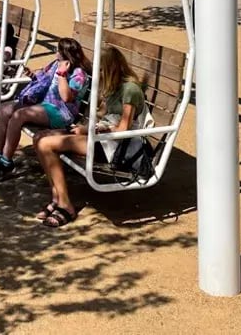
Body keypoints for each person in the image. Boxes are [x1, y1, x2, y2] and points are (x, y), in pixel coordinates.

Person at [31, 46, 151, 228]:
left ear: (111, 68)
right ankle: (57, 197)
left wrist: (93, 131)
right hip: (103, 139)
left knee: (47, 144)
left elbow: (123, 128)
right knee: (39, 138)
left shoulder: (130, 90)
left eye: (102, 69)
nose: (99, 74)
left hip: (118, 147)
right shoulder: (114, 88)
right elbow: (103, 115)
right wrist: (85, 128)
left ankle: (66, 205)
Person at [0, 37, 89, 183]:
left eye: (58, 51)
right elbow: (43, 78)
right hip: (44, 104)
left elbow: (67, 98)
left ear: (65, 53)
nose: (56, 54)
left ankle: (6, 162)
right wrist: (33, 76)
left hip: (61, 112)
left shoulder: (78, 75)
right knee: (5, 109)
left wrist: (62, 75)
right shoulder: (55, 64)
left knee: (19, 116)